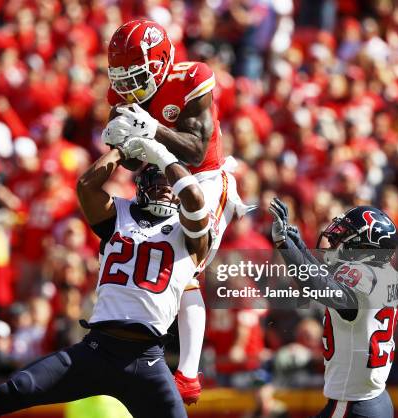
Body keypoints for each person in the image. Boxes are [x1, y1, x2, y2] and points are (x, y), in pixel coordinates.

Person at [0, 138, 212, 417]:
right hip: (99, 348)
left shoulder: (189, 230)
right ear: (142, 187)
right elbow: (86, 185)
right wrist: (122, 149)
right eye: (156, 184)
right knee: (16, 389)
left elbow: (195, 200)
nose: (164, 191)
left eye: (169, 186)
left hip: (147, 358)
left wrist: (160, 153)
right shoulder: (119, 212)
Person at [102, 19, 255, 399]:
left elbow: (195, 149)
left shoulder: (192, 78)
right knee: (176, 268)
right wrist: (123, 143)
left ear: (162, 61)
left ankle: (188, 371)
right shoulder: (124, 94)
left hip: (203, 179)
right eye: (123, 79)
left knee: (188, 265)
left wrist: (150, 129)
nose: (128, 89)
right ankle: (181, 370)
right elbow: (135, 165)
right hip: (160, 181)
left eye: (136, 77)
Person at [268, 198, 398, 418]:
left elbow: (317, 285)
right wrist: (299, 247)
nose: (335, 240)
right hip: (375, 399)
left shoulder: (361, 280)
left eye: (344, 237)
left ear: (364, 248)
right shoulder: (385, 274)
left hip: (352, 404)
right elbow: (326, 280)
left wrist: (285, 244)